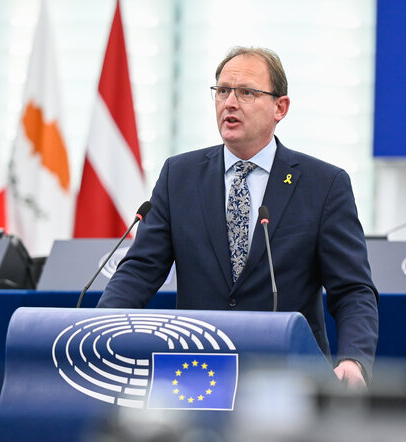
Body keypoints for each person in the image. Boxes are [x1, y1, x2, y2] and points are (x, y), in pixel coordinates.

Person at [97, 47, 378, 388]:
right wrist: (94, 331)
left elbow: (352, 289)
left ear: (280, 107)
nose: (229, 102)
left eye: (246, 92)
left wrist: (354, 359)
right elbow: (140, 270)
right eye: (222, 91)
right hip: (194, 372)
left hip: (285, 375)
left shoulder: (323, 185)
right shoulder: (179, 175)